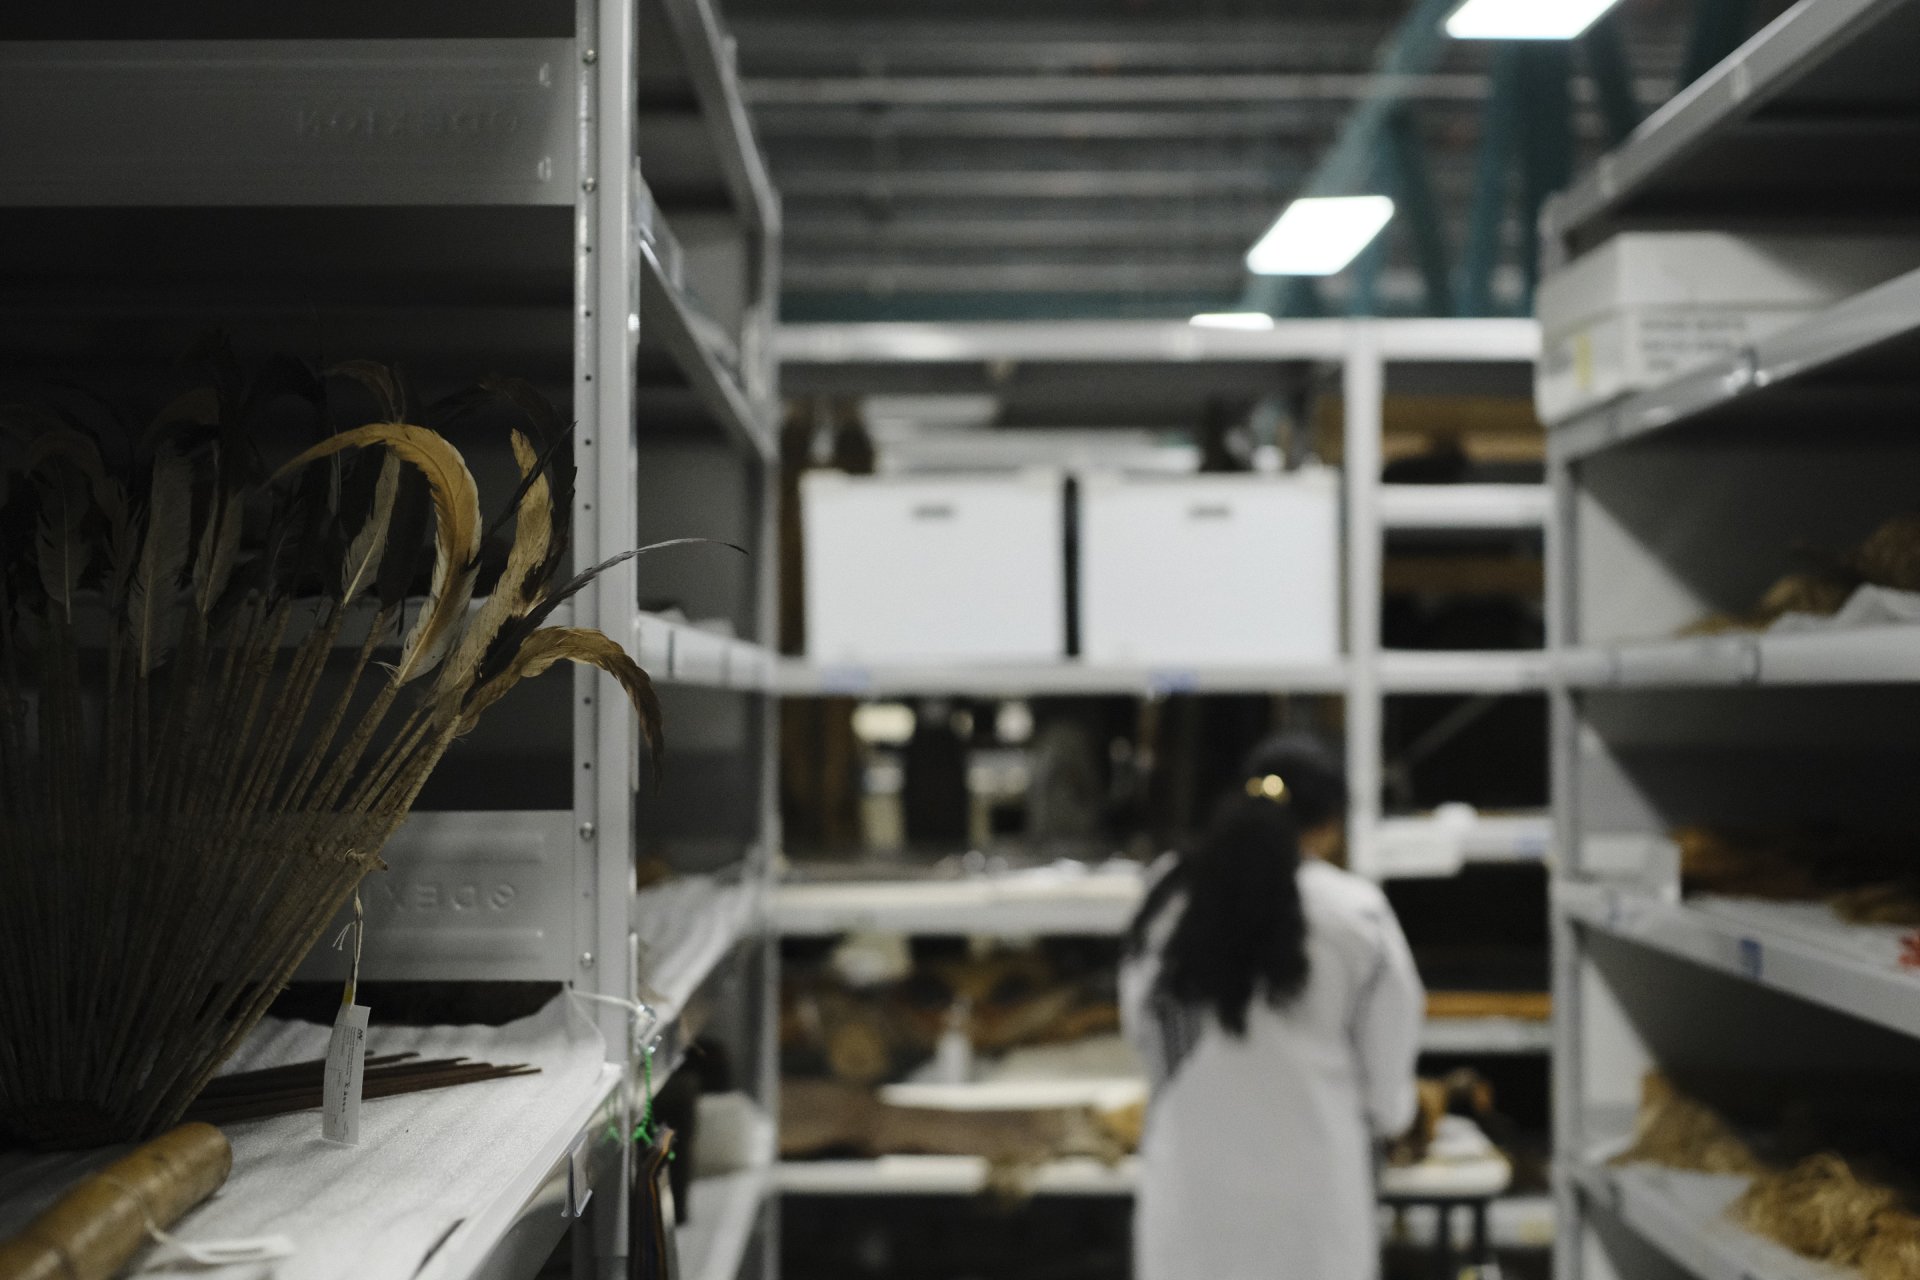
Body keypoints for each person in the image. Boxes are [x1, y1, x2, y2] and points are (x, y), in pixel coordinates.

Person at [1121, 733, 1425, 1280]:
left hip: (1191, 1203)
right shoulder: (1359, 917)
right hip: (1315, 1213)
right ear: (1331, 826)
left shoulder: (1167, 897)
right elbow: (1386, 1095)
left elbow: (1141, 1033)